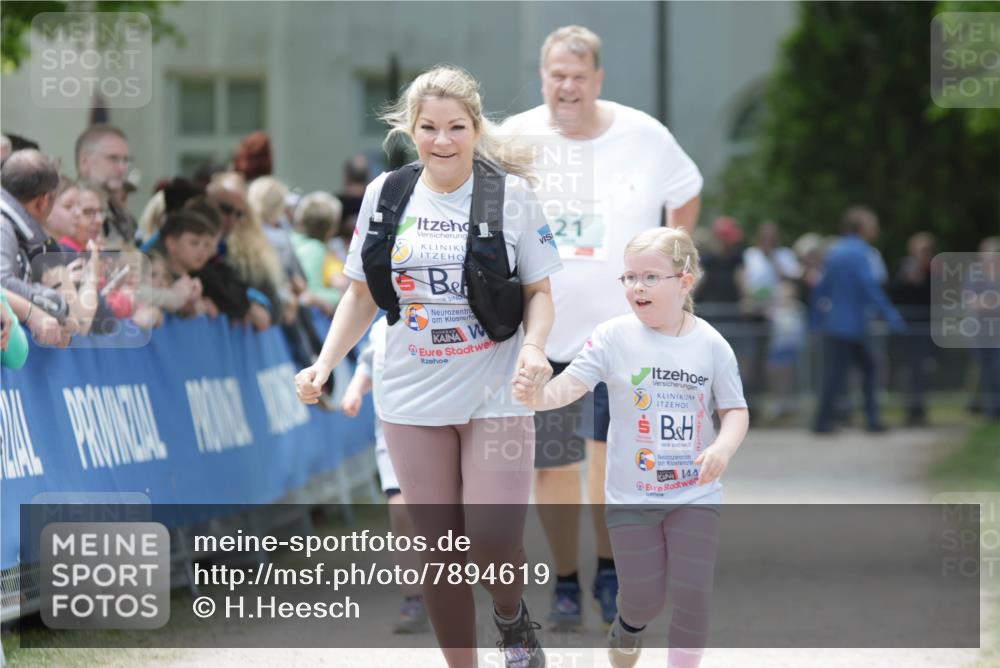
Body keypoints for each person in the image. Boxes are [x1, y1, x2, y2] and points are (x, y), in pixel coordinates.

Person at [295, 65, 561, 668]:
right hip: (411, 396)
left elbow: (540, 292)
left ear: (476, 129)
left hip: (495, 391)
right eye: (429, 128)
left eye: (456, 127)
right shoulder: (386, 194)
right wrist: (324, 364)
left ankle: (512, 619)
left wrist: (534, 348)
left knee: (493, 542)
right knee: (439, 552)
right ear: (409, 129)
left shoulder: (509, 197)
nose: (442, 141)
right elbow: (361, 294)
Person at [500, 24, 703, 628]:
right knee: (552, 467)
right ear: (543, 78)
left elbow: (687, 189)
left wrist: (673, 267)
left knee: (614, 463)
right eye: (557, 76)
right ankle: (565, 579)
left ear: (598, 79)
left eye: (578, 77)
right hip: (542, 338)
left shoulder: (644, 135)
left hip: (622, 338)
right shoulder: (514, 139)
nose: (568, 87)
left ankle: (610, 570)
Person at [515, 227, 749, 668]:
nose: (637, 287)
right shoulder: (612, 337)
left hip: (694, 493)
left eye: (650, 277)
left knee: (693, 593)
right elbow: (569, 387)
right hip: (631, 497)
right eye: (629, 277)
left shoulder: (712, 344)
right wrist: (536, 396)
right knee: (643, 599)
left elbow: (735, 410)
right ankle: (628, 625)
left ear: (685, 280)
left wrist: (723, 448)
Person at [340, 316, 429, 634]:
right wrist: (355, 390)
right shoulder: (379, 328)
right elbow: (367, 365)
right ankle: (414, 597)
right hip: (392, 433)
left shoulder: (438, 315)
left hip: (440, 429)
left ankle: (450, 585)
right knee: (401, 511)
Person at [811, 206, 906, 434]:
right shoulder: (861, 252)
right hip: (854, 325)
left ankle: (825, 421)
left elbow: (822, 288)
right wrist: (891, 315)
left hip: (836, 323)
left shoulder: (835, 251)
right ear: (861, 227)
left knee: (837, 374)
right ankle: (869, 420)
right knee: (865, 371)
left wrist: (815, 319)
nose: (876, 229)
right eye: (872, 224)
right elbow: (869, 286)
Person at [0, 149, 72, 347]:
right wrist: (46, 305)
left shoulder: (11, 226)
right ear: (43, 201)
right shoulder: (3, 225)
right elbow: (2, 283)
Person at [74, 125, 137, 246]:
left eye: (125, 160)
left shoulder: (120, 213)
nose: (122, 168)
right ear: (84, 161)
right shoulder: (70, 212)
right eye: (113, 158)